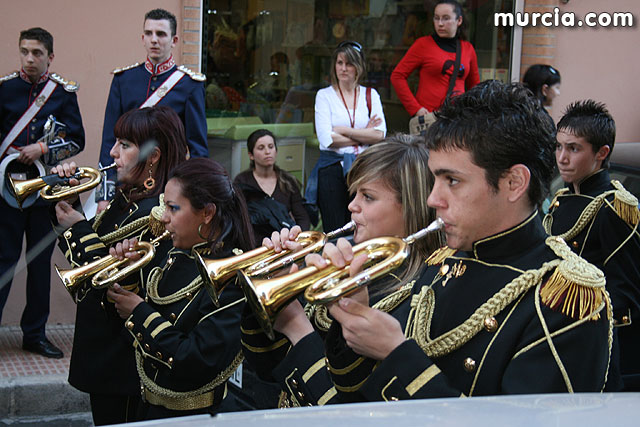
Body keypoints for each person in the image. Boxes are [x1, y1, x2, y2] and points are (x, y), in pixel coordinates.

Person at [312, 81, 612, 401]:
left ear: (514, 183)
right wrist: (354, 317)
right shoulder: (444, 261)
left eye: (452, 181)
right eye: (435, 178)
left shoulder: (564, 299)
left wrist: (396, 353)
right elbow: (359, 397)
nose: (432, 199)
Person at [241, 134, 443, 406]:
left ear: (411, 207)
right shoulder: (346, 260)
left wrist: (297, 327)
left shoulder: (423, 295)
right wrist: (274, 288)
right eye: (355, 193)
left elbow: (348, 407)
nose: (351, 205)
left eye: (368, 197)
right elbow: (268, 367)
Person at [53, 106, 188, 425]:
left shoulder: (156, 215)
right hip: (103, 356)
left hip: (124, 363)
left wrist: (77, 227)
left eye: (124, 145)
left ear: (152, 156)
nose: (112, 153)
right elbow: (87, 262)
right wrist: (67, 207)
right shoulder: (127, 198)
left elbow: (113, 285)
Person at [107, 158, 252, 420]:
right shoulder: (177, 254)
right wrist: (126, 279)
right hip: (149, 404)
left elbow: (195, 359)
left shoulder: (231, 276)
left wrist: (138, 311)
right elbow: (136, 337)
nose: (164, 217)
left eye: (173, 208)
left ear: (207, 213)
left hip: (193, 415)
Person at [0, 27, 84, 359]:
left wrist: (43, 149)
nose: (30, 58)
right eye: (25, 52)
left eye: (37, 53)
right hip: (5, 191)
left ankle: (34, 333)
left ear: (50, 56)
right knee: (3, 261)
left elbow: (77, 140)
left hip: (43, 192)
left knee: (38, 264)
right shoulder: (5, 89)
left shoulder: (63, 93)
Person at [544, 100, 640, 391]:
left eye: (573, 149)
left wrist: (572, 319)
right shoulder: (561, 198)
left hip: (594, 347)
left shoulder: (613, 208)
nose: (562, 158)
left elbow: (626, 295)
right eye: (559, 147)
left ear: (602, 153)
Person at [97, 8, 208, 212]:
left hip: (167, 185)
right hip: (127, 183)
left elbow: (198, 148)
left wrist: (191, 192)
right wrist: (104, 195)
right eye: (149, 34)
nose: (154, 40)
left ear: (174, 40)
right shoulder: (123, 80)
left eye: (161, 34)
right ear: (142, 38)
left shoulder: (189, 85)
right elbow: (108, 141)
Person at [307, 40, 386, 232]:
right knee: (335, 229)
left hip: (363, 168)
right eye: (339, 63)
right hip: (332, 168)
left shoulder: (370, 94)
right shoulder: (324, 95)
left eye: (349, 63)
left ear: (358, 67)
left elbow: (380, 135)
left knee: (361, 227)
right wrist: (364, 134)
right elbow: (327, 139)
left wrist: (343, 130)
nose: (343, 68)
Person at [391, 0, 479, 120]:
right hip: (429, 118)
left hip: (457, 120)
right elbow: (397, 76)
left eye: (446, 18)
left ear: (459, 20)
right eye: (436, 18)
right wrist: (416, 109)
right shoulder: (423, 45)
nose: (440, 23)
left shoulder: (468, 49)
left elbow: (475, 88)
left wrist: (471, 113)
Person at [234, 129, 310, 243]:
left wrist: (296, 238)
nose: (267, 151)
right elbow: (238, 221)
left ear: (276, 151)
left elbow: (302, 217)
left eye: (271, 146)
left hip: (286, 243)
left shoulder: (288, 181)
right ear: (251, 155)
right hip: (255, 247)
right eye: (261, 148)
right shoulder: (242, 181)